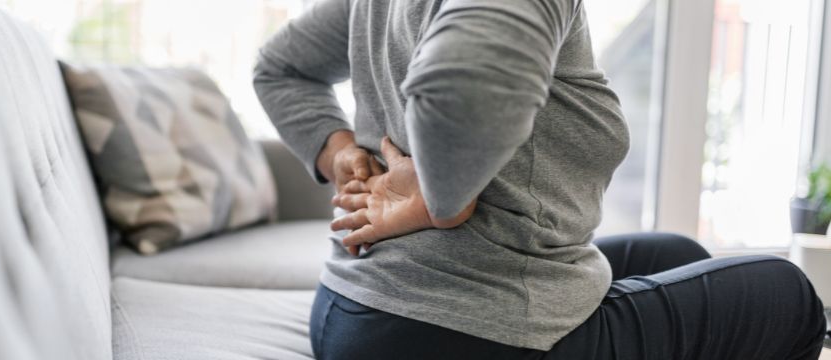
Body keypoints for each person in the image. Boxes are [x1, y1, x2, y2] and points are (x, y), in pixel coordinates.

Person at [253, 0, 828, 358]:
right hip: (462, 331)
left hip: (352, 310)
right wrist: (439, 197)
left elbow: (279, 66)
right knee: (788, 294)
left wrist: (340, 155)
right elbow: (462, 80)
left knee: (678, 251)